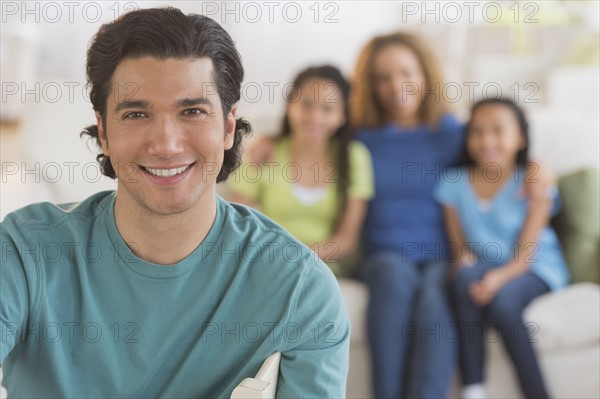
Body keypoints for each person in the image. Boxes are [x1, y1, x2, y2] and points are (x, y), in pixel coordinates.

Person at [0, 8, 349, 398]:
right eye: (136, 113)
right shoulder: (24, 250)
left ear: (229, 126)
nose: (166, 144)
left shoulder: (299, 289)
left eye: (193, 111)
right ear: (103, 132)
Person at [350, 32, 463, 399]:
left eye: (406, 72)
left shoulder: (453, 134)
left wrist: (539, 168)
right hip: (384, 256)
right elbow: (306, 138)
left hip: (440, 257)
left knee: (435, 296)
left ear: (426, 74)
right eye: (383, 77)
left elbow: (506, 159)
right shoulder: (360, 137)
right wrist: (267, 142)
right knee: (396, 277)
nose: (396, 85)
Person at [434, 98, 569, 399]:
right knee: (466, 278)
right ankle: (473, 388)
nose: (486, 141)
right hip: (486, 266)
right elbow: (461, 250)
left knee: (504, 304)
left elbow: (524, 258)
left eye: (498, 131)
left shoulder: (533, 183)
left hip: (534, 267)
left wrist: (497, 280)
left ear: (519, 138)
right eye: (477, 132)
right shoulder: (453, 184)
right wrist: (467, 265)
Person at [229, 65, 374, 276]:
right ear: (289, 106)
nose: (315, 117)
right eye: (306, 104)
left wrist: (297, 257)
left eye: (327, 109)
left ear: (342, 116)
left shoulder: (355, 157)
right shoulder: (263, 152)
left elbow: (346, 240)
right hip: (269, 265)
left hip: (320, 271)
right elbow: (238, 223)